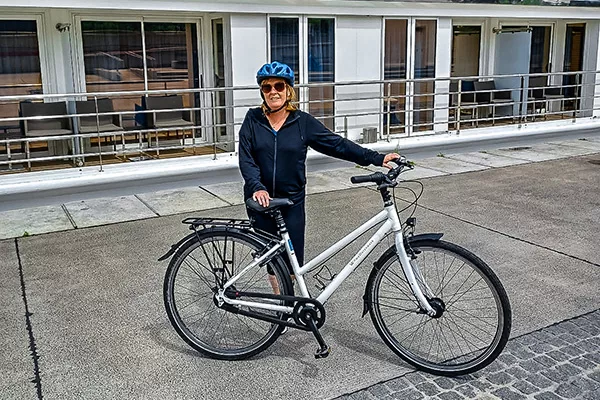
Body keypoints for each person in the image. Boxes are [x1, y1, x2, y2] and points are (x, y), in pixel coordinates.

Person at [238, 61, 399, 283]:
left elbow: (337, 144)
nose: (273, 91)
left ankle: (287, 299)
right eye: (267, 87)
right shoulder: (253, 119)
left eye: (279, 86)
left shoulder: (302, 122)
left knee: (293, 263)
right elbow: (246, 159)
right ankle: (280, 302)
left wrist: (376, 158)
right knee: (273, 263)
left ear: (288, 90)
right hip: (261, 200)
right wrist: (257, 187)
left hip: (291, 202)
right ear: (262, 92)